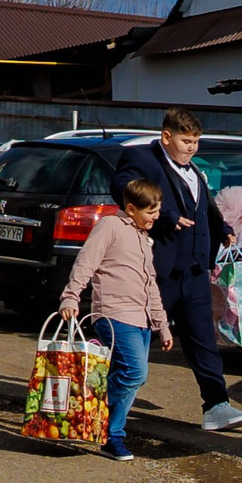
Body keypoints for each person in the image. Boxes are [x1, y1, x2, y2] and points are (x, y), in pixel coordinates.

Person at [111, 109, 242, 432]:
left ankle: (217, 405)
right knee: (135, 340)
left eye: (196, 141)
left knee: (203, 340)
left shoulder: (194, 170)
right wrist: (164, 215)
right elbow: (121, 187)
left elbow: (205, 206)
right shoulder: (142, 159)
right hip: (157, 273)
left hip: (195, 272)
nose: (192, 147)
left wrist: (223, 228)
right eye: (186, 141)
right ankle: (106, 400)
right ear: (166, 137)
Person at [58, 175, 174, 461]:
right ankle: (108, 429)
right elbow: (87, 261)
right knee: (135, 372)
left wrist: (162, 325)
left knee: (133, 379)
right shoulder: (110, 225)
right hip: (113, 315)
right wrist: (71, 296)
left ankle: (98, 423)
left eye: (158, 211)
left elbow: (150, 285)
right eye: (151, 211)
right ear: (131, 208)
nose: (156, 217)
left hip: (142, 319)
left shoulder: (144, 239)